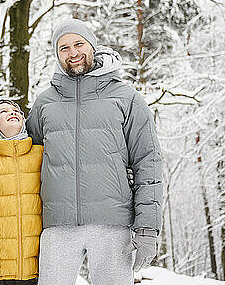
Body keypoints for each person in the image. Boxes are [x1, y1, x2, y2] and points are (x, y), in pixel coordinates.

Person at [26, 19, 163, 285]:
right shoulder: (45, 102)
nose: (72, 52)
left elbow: (148, 162)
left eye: (79, 44)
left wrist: (147, 227)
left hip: (113, 224)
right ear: (57, 55)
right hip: (57, 225)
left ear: (93, 46)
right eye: (64, 47)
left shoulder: (126, 98)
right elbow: (26, 157)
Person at [0, 100, 43, 285]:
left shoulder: (41, 155)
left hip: (33, 269)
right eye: (3, 111)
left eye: (15, 110)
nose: (12, 112)